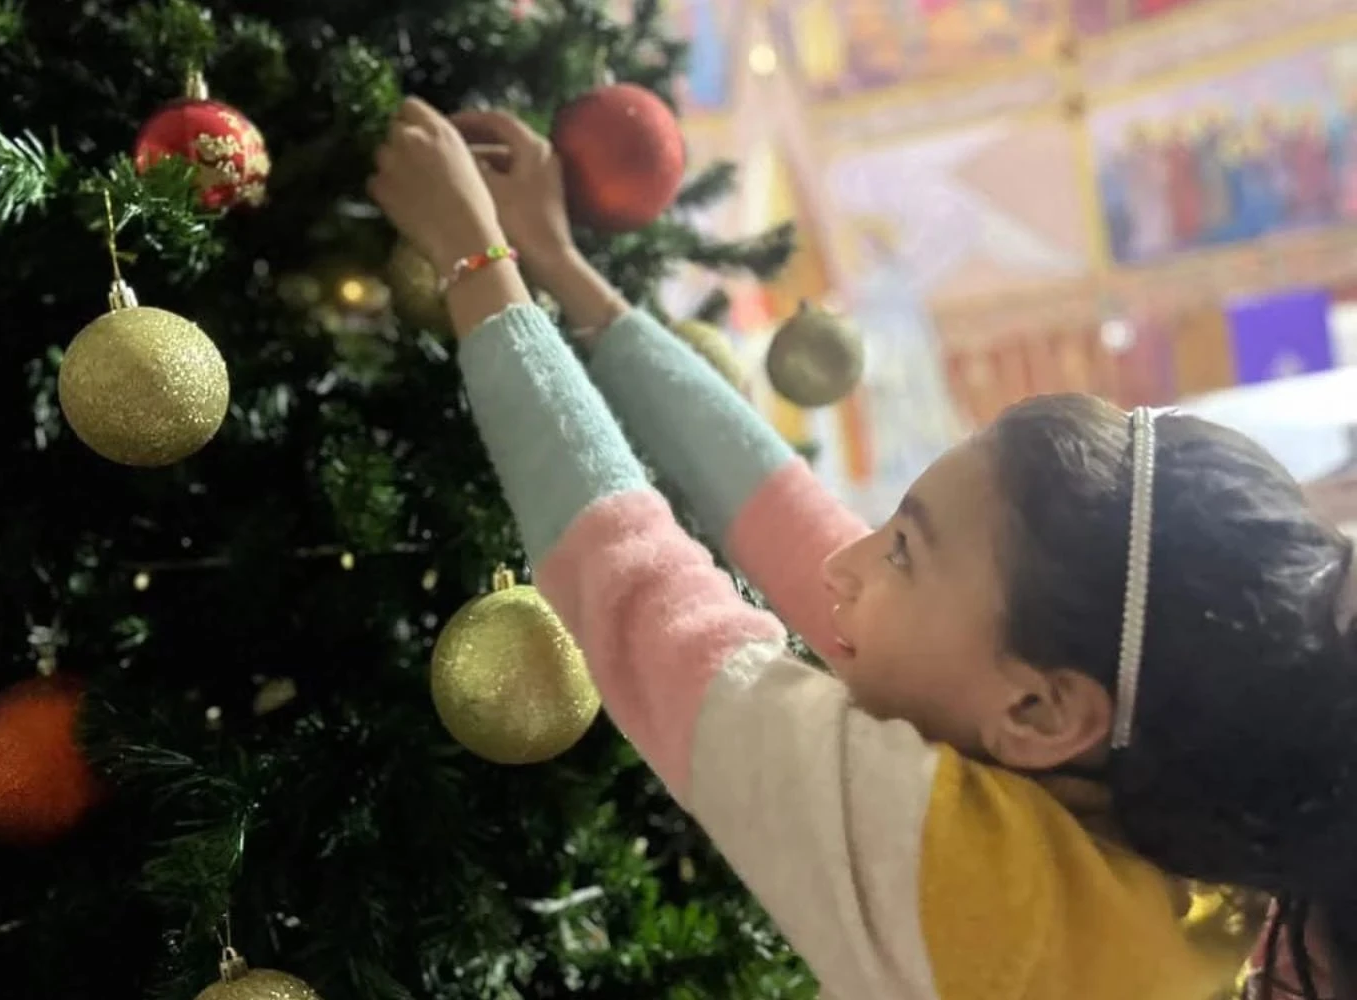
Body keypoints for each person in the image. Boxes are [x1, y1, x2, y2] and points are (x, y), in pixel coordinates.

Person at [367, 97, 1357, 999]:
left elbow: (642, 597)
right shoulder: (1168, 839)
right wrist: (561, 265)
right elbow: (802, 529)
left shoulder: (989, 894)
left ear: (1042, 707)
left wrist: (473, 262)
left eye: (904, 551)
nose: (848, 565)